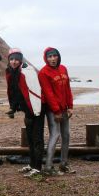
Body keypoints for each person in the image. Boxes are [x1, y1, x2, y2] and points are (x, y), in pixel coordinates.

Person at [4, 48, 45, 177]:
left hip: (37, 108)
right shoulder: (11, 72)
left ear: (21, 60)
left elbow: (36, 92)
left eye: (16, 59)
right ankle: (32, 164)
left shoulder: (27, 71)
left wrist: (36, 111)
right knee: (30, 139)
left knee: (37, 138)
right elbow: (14, 92)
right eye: (12, 59)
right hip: (27, 109)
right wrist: (13, 108)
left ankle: (37, 168)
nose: (14, 61)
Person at [38, 47, 74, 175]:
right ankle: (48, 166)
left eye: (54, 56)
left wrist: (70, 106)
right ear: (46, 58)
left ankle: (64, 164)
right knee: (55, 134)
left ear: (58, 56)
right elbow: (48, 93)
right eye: (49, 57)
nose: (52, 59)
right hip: (52, 110)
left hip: (64, 108)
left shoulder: (63, 68)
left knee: (66, 135)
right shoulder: (43, 73)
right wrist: (56, 111)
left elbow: (68, 88)